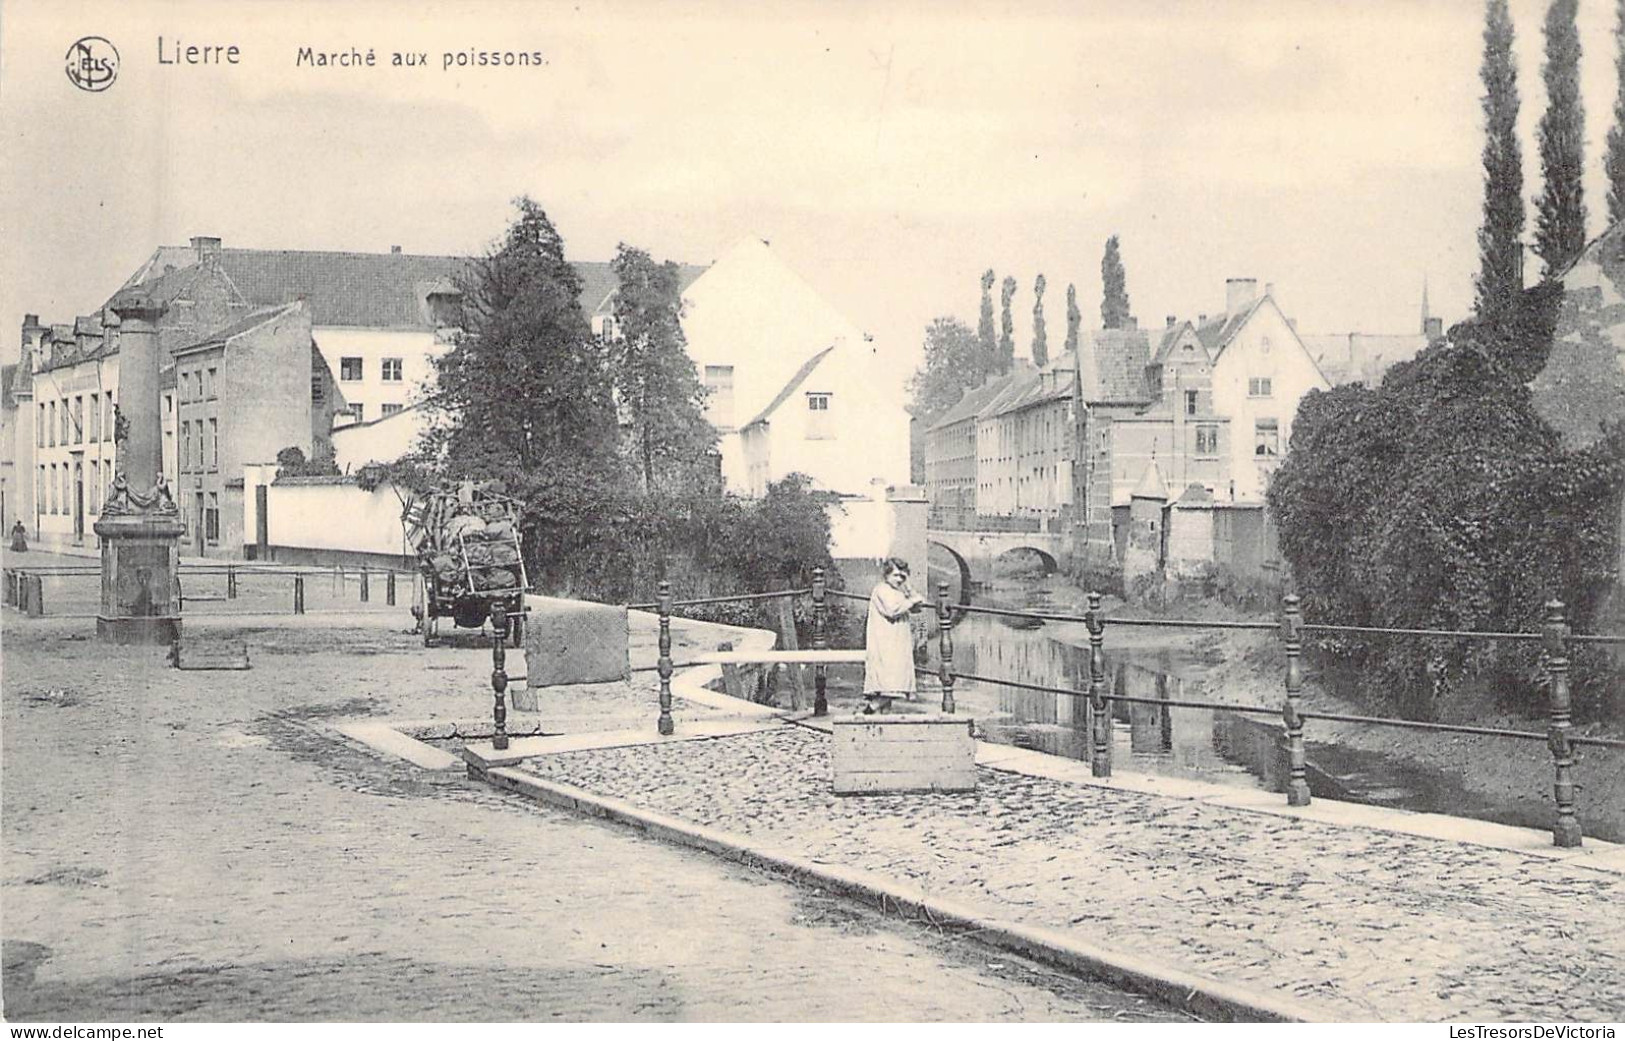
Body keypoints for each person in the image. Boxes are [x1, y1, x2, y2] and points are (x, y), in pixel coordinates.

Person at [862, 557, 925, 714]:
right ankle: (870, 709)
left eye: (902, 576)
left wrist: (909, 589)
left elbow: (917, 607)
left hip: (896, 642)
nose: (899, 579)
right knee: (891, 683)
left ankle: (882, 719)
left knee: (892, 683)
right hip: (885, 642)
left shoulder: (897, 591)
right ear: (887, 574)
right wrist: (911, 601)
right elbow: (893, 610)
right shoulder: (882, 590)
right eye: (896, 575)